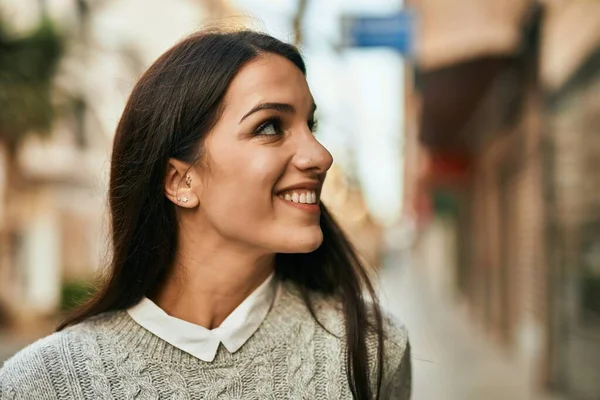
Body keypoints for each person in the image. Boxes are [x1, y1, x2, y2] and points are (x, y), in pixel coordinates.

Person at [0, 30, 411, 399]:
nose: (320, 155)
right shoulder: (43, 383)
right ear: (180, 181)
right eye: (270, 127)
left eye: (311, 125)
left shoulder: (370, 348)